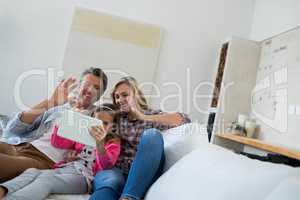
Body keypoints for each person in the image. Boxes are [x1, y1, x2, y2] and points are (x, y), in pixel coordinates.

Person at [90, 77, 191, 200]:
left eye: (124, 95)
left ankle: (129, 197)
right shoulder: (117, 118)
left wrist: (143, 117)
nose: (120, 100)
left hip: (143, 173)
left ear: (136, 95)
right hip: (117, 171)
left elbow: (184, 119)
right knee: (109, 185)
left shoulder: (152, 116)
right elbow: (96, 115)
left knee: (152, 135)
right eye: (117, 97)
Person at [0, 67, 108, 183]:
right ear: (79, 85)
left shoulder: (96, 120)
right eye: (87, 84)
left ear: (100, 96)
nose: (90, 90)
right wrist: (50, 102)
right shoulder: (59, 107)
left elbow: (92, 157)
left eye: (96, 88)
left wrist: (74, 158)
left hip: (42, 160)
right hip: (19, 146)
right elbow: (12, 130)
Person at [0, 103, 120, 200]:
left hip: (84, 177)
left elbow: (106, 165)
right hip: (67, 168)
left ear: (113, 127)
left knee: (46, 181)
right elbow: (58, 143)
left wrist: (100, 144)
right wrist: (62, 124)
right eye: (96, 121)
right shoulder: (83, 135)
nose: (99, 126)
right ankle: (3, 190)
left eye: (105, 123)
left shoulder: (112, 143)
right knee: (33, 172)